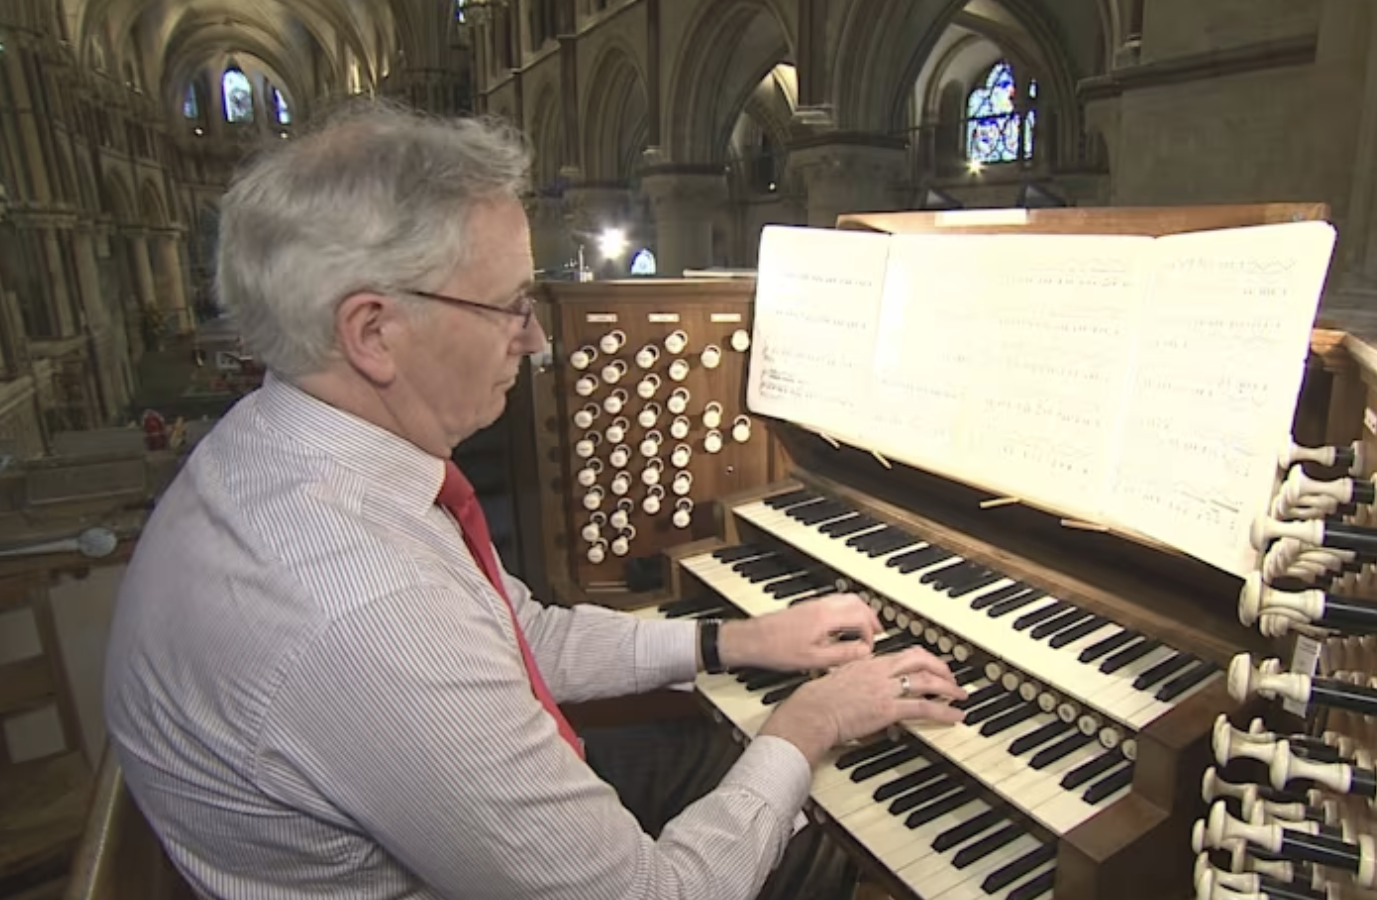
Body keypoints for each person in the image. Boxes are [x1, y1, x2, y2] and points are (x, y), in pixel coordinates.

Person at [102, 100, 966, 900]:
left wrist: (729, 640)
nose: (541, 340)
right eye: (511, 305)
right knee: (828, 829)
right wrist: (813, 721)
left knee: (742, 760)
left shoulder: (277, 448)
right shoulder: (368, 604)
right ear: (373, 332)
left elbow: (515, 637)